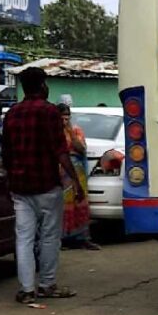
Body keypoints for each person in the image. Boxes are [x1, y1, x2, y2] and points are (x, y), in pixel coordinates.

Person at [1, 67, 84, 304]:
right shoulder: (49, 112)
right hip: (47, 185)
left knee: (24, 237)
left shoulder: (12, 113)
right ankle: (47, 284)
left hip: (20, 186)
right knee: (49, 236)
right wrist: (76, 183)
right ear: (42, 85)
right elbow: (60, 151)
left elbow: (5, 153)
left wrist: (10, 179)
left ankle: (26, 289)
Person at [58, 104, 100, 251]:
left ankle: (83, 238)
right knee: (62, 205)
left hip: (77, 171)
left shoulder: (75, 130)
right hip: (61, 173)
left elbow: (81, 148)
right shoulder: (53, 131)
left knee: (80, 203)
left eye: (67, 115)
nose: (65, 118)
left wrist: (70, 131)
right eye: (62, 115)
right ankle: (62, 239)